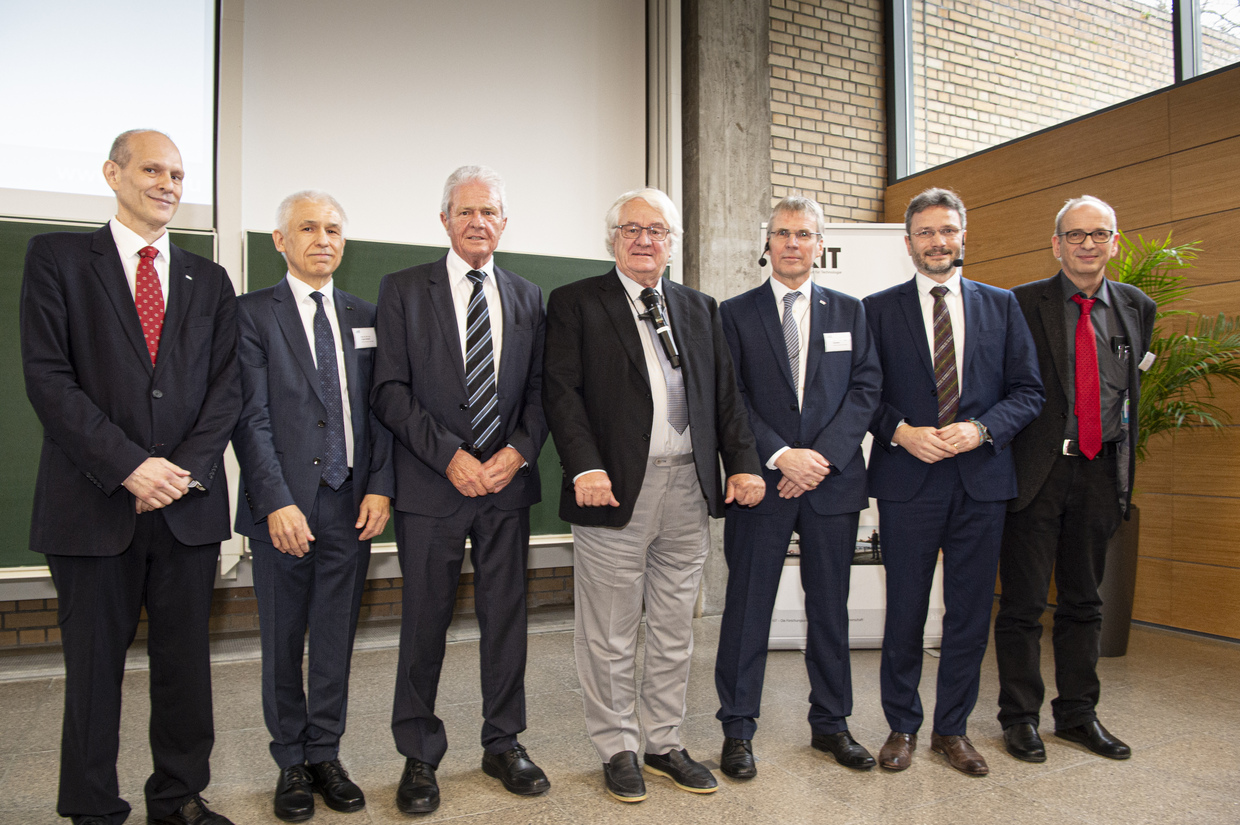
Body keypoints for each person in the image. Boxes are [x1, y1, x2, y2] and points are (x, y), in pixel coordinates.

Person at [19, 129, 240, 825]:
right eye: (152, 169)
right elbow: (49, 379)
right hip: (91, 505)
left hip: (187, 509)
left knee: (186, 672)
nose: (168, 183)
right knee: (92, 674)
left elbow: (226, 389)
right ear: (113, 174)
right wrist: (129, 467)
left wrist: (181, 472)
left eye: (177, 172)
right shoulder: (57, 259)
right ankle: (91, 808)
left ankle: (177, 799)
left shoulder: (208, 279)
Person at [542, 187, 765, 802]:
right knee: (609, 632)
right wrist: (585, 467)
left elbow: (725, 397)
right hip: (613, 489)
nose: (645, 239)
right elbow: (560, 393)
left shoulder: (699, 307)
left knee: (673, 628)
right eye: (632, 229)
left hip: (689, 487)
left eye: (657, 230)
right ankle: (617, 746)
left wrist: (742, 463)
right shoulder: (576, 303)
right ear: (612, 238)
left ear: (673, 241)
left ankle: (664, 741)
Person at [371, 166, 550, 815]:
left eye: (490, 212)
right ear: (444, 219)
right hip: (432, 486)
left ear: (504, 222)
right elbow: (388, 390)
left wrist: (518, 452)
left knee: (507, 622)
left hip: (506, 489)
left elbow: (540, 394)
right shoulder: (402, 290)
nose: (479, 221)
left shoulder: (530, 297)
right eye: (466, 211)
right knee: (425, 622)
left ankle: (504, 741)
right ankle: (419, 753)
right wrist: (450, 456)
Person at [863, 187, 1043, 777]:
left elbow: (1028, 393)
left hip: (981, 482)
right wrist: (900, 432)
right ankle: (901, 726)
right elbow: (862, 395)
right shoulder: (877, 309)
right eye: (926, 233)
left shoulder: (1002, 306)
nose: (938, 242)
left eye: (948, 231)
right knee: (906, 610)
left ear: (964, 235)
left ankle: (953, 729)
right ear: (909, 241)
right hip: (908, 480)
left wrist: (982, 430)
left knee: (968, 612)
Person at [231, 191, 394, 820]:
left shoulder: (365, 314)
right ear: (280, 240)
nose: (321, 239)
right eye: (307, 228)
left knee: (334, 636)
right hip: (285, 512)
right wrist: (275, 501)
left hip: (352, 505)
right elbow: (252, 418)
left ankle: (325, 751)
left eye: (332, 229)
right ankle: (290, 762)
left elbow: (381, 412)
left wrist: (379, 485)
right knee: (282, 638)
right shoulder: (251, 315)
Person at [712, 196, 882, 779]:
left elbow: (866, 389)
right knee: (748, 608)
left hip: (831, 486)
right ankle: (737, 729)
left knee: (830, 610)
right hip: (761, 482)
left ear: (819, 244)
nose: (792, 243)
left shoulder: (850, 312)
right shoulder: (733, 314)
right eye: (782, 233)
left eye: (804, 234)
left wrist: (822, 459)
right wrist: (783, 456)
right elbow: (729, 398)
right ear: (767, 242)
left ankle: (831, 724)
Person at [995, 196, 1154, 763]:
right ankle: (1019, 718)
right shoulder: (1018, 304)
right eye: (1076, 234)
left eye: (1100, 234)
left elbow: (1129, 385)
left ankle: (1078, 715)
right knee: (1022, 604)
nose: (1088, 244)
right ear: (1056, 244)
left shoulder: (1136, 307)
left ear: (1115, 242)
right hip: (1036, 475)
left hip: (1100, 471)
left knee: (1085, 602)